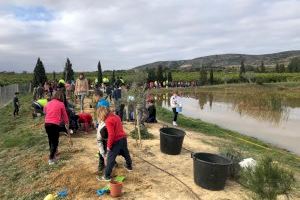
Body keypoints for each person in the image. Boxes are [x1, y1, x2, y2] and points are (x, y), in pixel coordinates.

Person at [97, 103, 132, 181]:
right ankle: (129, 166)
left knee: (110, 158)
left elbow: (111, 135)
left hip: (116, 141)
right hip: (123, 138)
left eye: (100, 116)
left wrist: (109, 146)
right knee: (126, 152)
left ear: (102, 114)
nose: (100, 119)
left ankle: (106, 176)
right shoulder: (117, 117)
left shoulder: (108, 121)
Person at [44, 91, 71, 165]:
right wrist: (67, 123)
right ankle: (51, 158)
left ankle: (53, 156)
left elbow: (45, 111)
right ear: (61, 97)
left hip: (47, 124)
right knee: (55, 142)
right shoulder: (61, 104)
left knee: (50, 140)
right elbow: (65, 116)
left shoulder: (48, 103)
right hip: (54, 124)